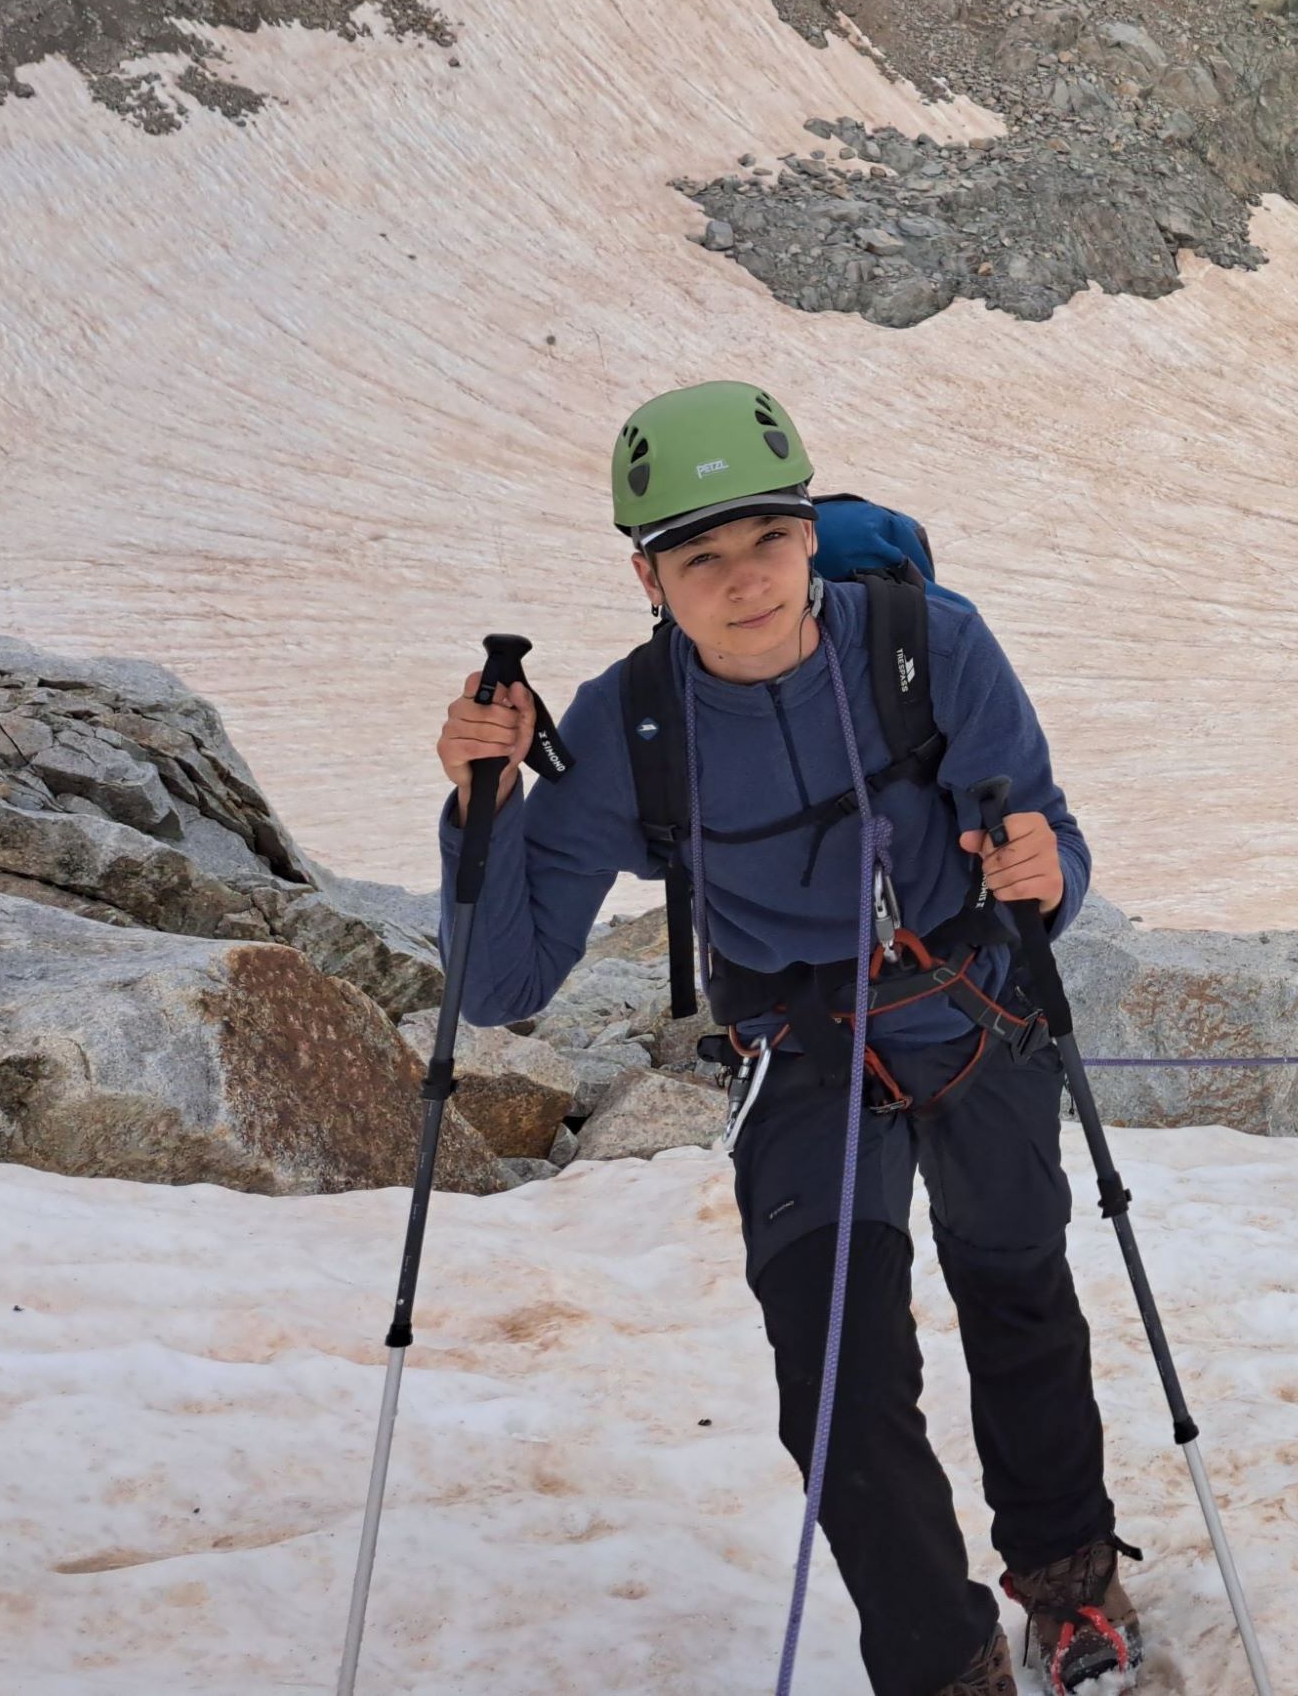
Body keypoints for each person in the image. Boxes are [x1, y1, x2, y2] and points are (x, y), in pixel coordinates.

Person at [431, 380, 1137, 1696]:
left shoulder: (927, 643)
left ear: (809, 534)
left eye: (768, 537)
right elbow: (502, 981)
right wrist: (486, 800)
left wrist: (1051, 874)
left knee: (1018, 1292)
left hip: (970, 1011)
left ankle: (1071, 1584)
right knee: (836, 1372)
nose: (745, 578)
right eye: (701, 556)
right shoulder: (631, 725)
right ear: (648, 576)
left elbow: (1050, 838)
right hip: (805, 1052)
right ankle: (944, 1668)